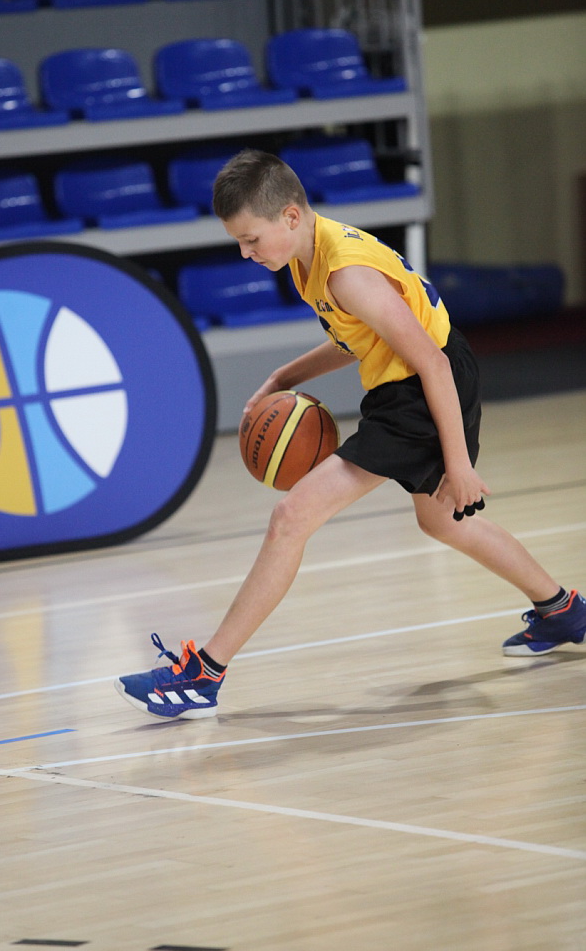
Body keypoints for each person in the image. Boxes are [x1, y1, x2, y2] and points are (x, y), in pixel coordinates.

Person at [115, 149, 586, 720]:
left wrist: (460, 463)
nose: (245, 253)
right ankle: (562, 609)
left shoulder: (346, 272)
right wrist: (284, 377)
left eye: (250, 239)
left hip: (424, 387)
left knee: (291, 517)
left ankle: (202, 674)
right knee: (441, 520)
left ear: (290, 216)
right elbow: (355, 338)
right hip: (405, 388)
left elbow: (433, 362)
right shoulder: (304, 258)